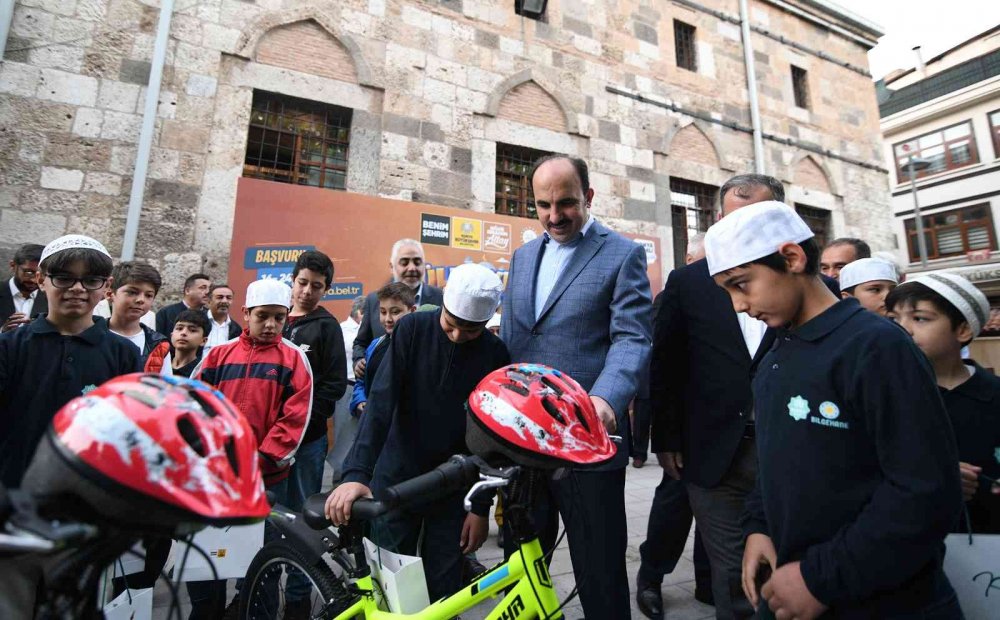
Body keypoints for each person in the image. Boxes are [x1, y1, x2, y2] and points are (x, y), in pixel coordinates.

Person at [703, 201, 962, 618]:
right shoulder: (776, 353)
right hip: (791, 587)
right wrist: (759, 526)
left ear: (791, 257)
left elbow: (925, 491)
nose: (738, 305)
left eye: (742, 284)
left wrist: (821, 578)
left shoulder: (877, 347)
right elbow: (777, 462)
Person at [501, 155, 651, 619]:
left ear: (588, 196)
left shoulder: (622, 253)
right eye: (543, 205)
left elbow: (632, 336)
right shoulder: (523, 256)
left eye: (565, 203)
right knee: (520, 564)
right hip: (521, 441)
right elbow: (511, 339)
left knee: (600, 569)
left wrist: (604, 400)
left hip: (587, 440)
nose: (553, 216)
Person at [647, 173, 792, 619]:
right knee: (734, 578)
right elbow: (667, 364)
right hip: (711, 450)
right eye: (730, 218)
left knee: (787, 565)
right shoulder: (688, 283)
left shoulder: (799, 284)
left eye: (753, 218)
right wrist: (666, 438)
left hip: (786, 448)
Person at [327, 264, 509, 602]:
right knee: (393, 583)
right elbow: (381, 404)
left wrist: (480, 508)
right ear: (442, 309)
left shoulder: (495, 354)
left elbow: (491, 438)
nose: (456, 337)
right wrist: (357, 474)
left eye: (470, 332)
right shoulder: (413, 329)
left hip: (456, 486)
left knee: (446, 587)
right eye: (451, 326)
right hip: (397, 477)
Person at [189, 278, 313, 617]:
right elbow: (194, 407)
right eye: (263, 316)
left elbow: (294, 419)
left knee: (260, 560)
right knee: (207, 559)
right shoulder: (218, 355)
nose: (271, 325)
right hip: (216, 478)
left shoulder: (294, 361)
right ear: (245, 313)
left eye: (279, 317)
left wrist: (258, 459)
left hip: (267, 481)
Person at [0, 235, 140, 489]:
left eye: (91, 280)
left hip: (88, 495)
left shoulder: (124, 354)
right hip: (13, 489)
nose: (77, 288)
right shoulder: (10, 346)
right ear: (42, 281)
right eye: (64, 278)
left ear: (106, 287)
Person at [887, 273, 1000, 533]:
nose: (902, 329)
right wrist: (934, 477)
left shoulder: (994, 395)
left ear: (962, 330)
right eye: (893, 319)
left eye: (920, 318)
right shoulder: (881, 396)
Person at [283, 251, 347, 517]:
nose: (307, 291)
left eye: (316, 286)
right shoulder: (276, 319)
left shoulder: (327, 327)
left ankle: (301, 559)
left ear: (326, 289)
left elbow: (335, 384)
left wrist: (304, 417)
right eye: (302, 282)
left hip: (309, 437)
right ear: (293, 280)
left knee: (303, 508)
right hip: (270, 435)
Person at [351, 239, 443, 378]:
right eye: (404, 262)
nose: (412, 268)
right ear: (391, 266)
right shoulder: (374, 300)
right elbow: (361, 342)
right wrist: (359, 360)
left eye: (417, 262)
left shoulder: (440, 299)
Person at [350, 282, 416, 417]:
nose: (388, 319)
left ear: (412, 310)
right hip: (375, 424)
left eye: (395, 312)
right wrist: (360, 401)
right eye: (383, 312)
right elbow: (361, 382)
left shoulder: (421, 347)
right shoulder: (375, 346)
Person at [328, 295, 366, 479]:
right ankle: (339, 476)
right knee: (343, 433)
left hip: (363, 389)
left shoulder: (369, 330)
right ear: (360, 312)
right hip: (346, 388)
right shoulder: (341, 330)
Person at [105, 261, 167, 365]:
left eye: (148, 295)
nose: (141, 300)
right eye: (132, 292)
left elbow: (161, 381)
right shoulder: (90, 334)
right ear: (110, 293)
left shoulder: (159, 345)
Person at [145, 309, 210, 377]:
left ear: (203, 341)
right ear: (171, 335)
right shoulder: (157, 362)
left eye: (192, 330)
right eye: (179, 328)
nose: (183, 333)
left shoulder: (201, 371)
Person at [1, 243, 46, 332]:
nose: (34, 280)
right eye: (28, 273)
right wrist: (2, 332)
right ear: (13, 266)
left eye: (41, 274)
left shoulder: (50, 298)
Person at [203, 283, 241, 353]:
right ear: (209, 301)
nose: (224, 301)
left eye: (229, 298)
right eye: (220, 297)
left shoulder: (236, 329)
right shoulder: (197, 322)